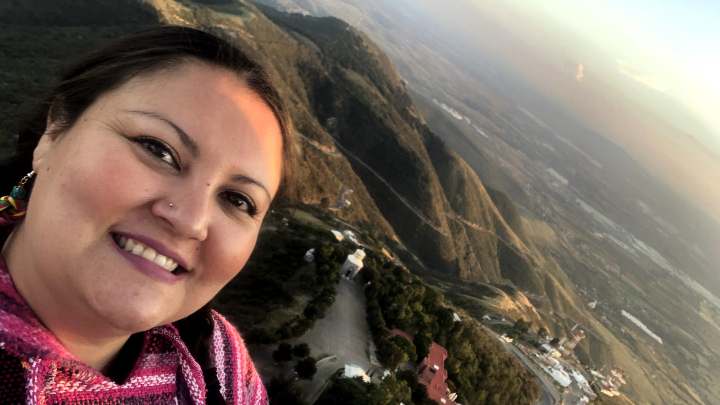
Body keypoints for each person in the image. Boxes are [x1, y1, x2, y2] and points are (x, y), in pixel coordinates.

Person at [0, 26, 294, 404]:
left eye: (237, 200)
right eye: (158, 150)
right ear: (54, 131)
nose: (191, 220)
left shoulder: (220, 364)